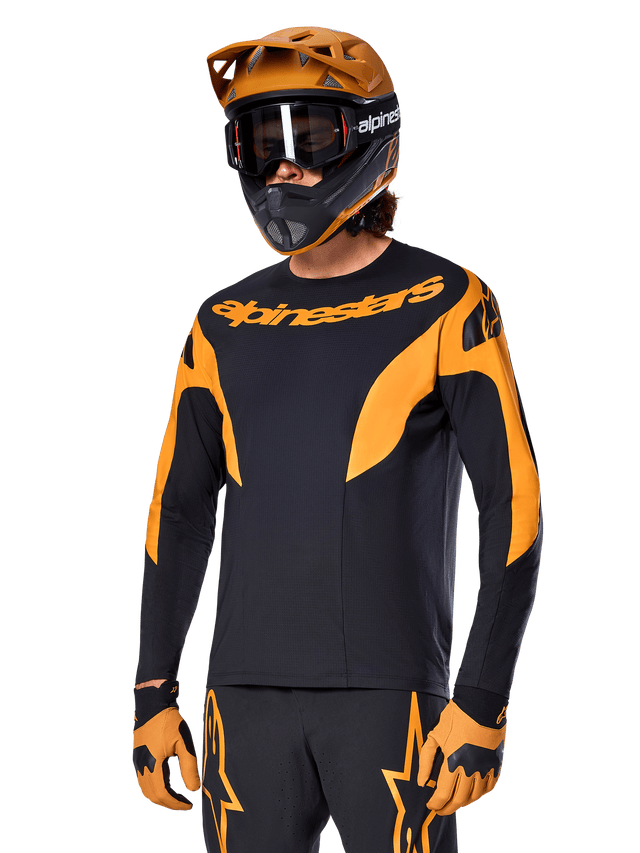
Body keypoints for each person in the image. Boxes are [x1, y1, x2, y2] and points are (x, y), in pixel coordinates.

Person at [131, 25, 543, 853]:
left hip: (394, 700)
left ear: (370, 137)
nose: (283, 168)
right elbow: (177, 511)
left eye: (308, 137)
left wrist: (482, 697)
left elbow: (513, 500)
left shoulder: (447, 298)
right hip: (242, 699)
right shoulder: (221, 322)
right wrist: (151, 691)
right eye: (260, 143)